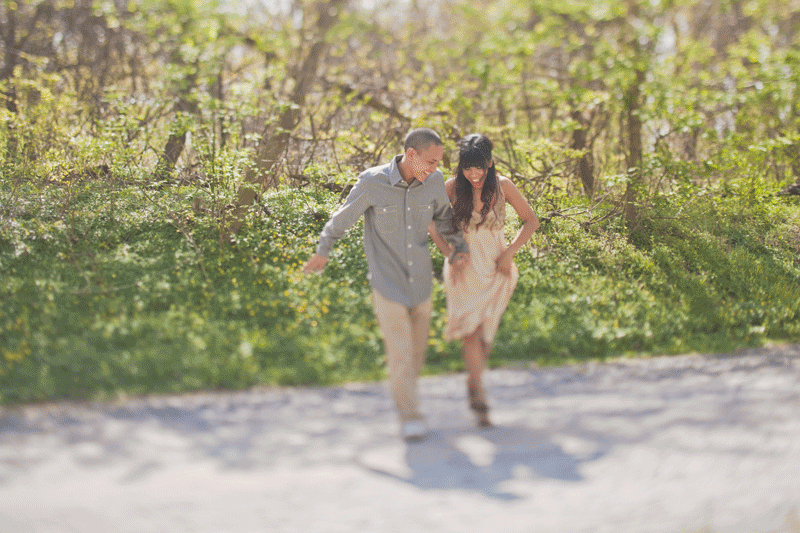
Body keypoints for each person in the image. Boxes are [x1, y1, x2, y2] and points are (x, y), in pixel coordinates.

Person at [303, 128, 469, 441]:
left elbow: (446, 221)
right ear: (411, 155)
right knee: (401, 352)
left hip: (420, 282)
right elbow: (341, 219)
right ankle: (410, 416)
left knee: (417, 355)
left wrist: (460, 249)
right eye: (431, 162)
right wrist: (323, 250)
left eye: (438, 163)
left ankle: (408, 399)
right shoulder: (372, 182)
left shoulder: (433, 182)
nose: (436, 169)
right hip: (387, 282)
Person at [429, 133, 539, 427]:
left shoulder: (503, 186)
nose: (474, 174)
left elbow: (531, 220)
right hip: (464, 267)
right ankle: (478, 395)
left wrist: (510, 253)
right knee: (471, 330)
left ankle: (474, 379)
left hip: (496, 266)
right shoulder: (452, 187)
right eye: (468, 167)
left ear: (490, 163)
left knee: (486, 334)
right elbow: (427, 219)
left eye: (479, 167)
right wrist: (449, 253)